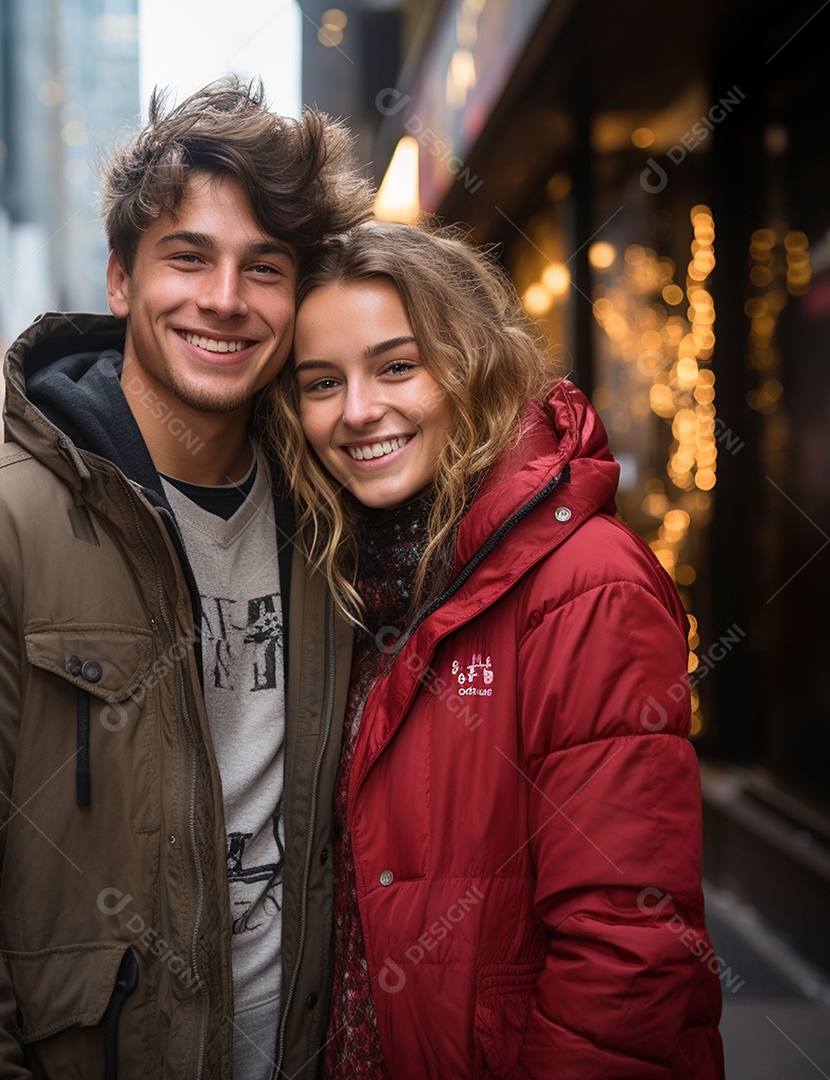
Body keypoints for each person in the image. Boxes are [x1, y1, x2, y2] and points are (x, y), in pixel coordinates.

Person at [0, 80, 371, 1079]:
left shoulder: (333, 519)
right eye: (188, 257)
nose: (225, 298)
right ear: (121, 281)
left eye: (264, 267)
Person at [264, 221, 726, 1079]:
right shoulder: (346, 581)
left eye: (397, 367)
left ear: (471, 364)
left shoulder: (585, 583)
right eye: (322, 382)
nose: (357, 411)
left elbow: (628, 946)